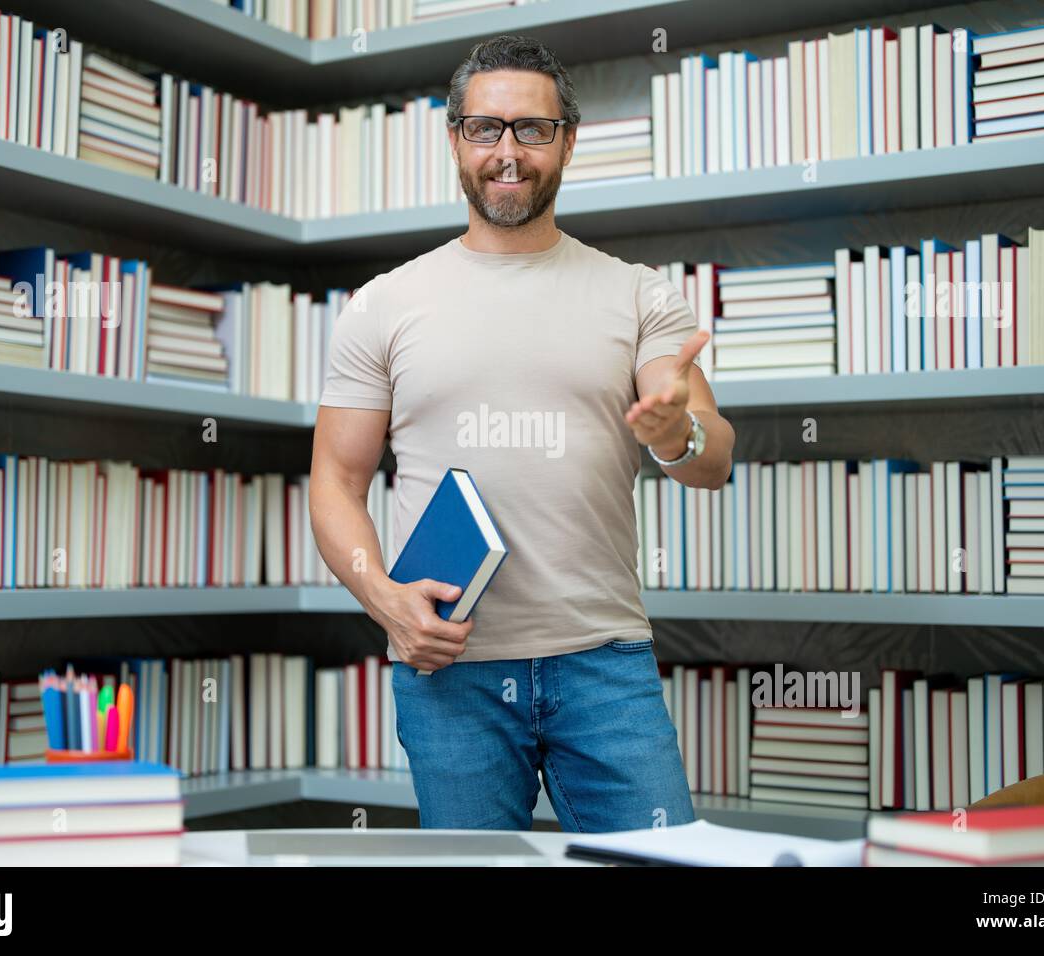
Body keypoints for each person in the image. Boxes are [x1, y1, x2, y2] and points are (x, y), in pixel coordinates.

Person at [310, 34, 735, 832]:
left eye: (533, 129)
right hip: (451, 669)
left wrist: (676, 432)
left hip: (604, 664)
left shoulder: (638, 295)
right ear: (456, 140)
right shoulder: (382, 305)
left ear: (567, 142)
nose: (508, 152)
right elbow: (335, 481)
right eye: (485, 128)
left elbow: (712, 458)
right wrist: (385, 601)